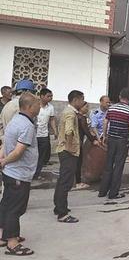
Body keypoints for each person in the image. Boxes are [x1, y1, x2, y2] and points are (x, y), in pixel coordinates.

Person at [0, 92, 41, 256]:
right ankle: (12, 243)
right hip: (18, 173)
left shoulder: (15, 120)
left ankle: (3, 235)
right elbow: (18, 152)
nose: (39, 108)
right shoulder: (27, 126)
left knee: (6, 204)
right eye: (37, 105)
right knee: (15, 208)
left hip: (10, 173)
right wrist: (4, 161)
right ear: (30, 107)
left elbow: (5, 143)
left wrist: (3, 158)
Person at [98, 87, 129, 199]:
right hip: (122, 141)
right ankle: (113, 193)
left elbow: (105, 122)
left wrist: (104, 135)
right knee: (118, 166)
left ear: (119, 96)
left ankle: (102, 191)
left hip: (111, 139)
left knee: (108, 165)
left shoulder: (112, 108)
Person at [54, 90, 86, 223]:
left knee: (62, 180)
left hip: (65, 150)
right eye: (82, 99)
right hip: (68, 152)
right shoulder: (70, 114)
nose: (83, 102)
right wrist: (69, 148)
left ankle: (59, 207)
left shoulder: (69, 111)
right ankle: (62, 214)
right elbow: (69, 131)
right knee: (66, 182)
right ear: (75, 100)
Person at [0, 79, 35, 144]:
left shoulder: (8, 104)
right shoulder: (24, 106)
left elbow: (1, 125)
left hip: (6, 142)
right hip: (18, 145)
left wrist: (3, 139)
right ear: (27, 92)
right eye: (33, 93)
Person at [34, 88, 57, 180]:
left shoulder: (50, 107)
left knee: (42, 156)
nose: (50, 98)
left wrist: (55, 131)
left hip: (44, 135)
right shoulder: (35, 105)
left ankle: (37, 174)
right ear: (42, 96)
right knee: (32, 155)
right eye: (48, 96)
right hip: (33, 134)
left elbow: (52, 119)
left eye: (51, 96)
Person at [75, 102, 99, 189]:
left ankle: (75, 180)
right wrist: (93, 140)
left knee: (76, 162)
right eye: (86, 107)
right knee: (78, 162)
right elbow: (86, 131)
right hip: (78, 142)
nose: (87, 109)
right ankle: (78, 182)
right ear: (81, 107)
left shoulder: (77, 116)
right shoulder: (82, 118)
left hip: (76, 141)